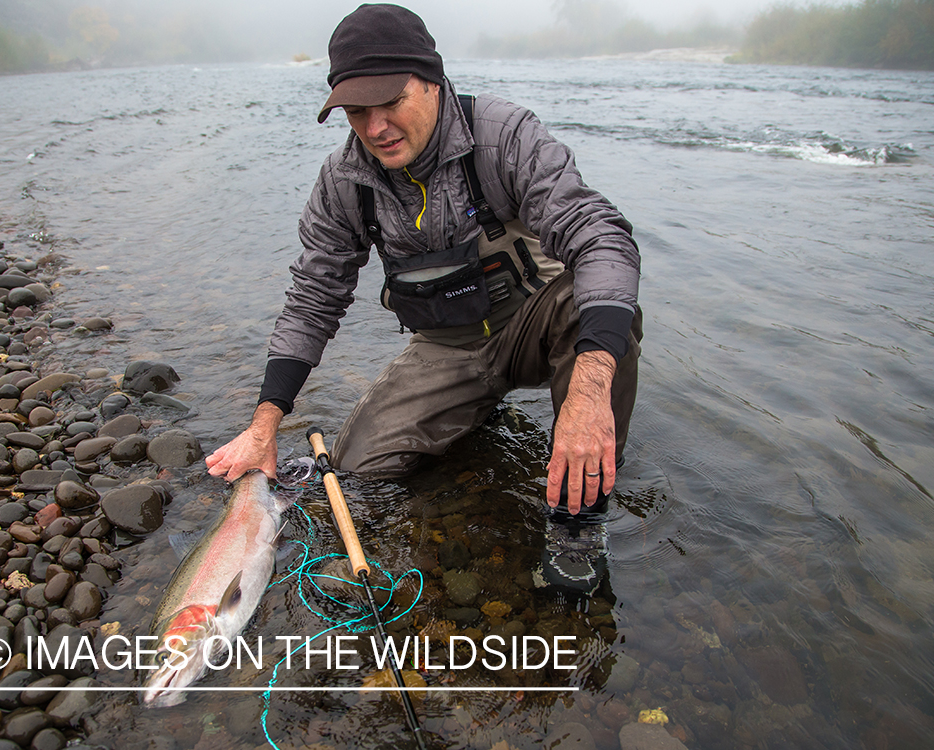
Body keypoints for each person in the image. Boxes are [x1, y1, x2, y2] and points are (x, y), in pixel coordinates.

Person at [206, 3, 641, 523]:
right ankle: (473, 409)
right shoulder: (344, 180)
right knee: (357, 469)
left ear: (434, 82)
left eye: (390, 102)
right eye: (356, 112)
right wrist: (264, 426)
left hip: (536, 327)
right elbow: (312, 300)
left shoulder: (505, 136)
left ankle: (582, 515)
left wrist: (589, 391)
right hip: (448, 346)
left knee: (593, 307)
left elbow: (602, 239)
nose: (376, 127)